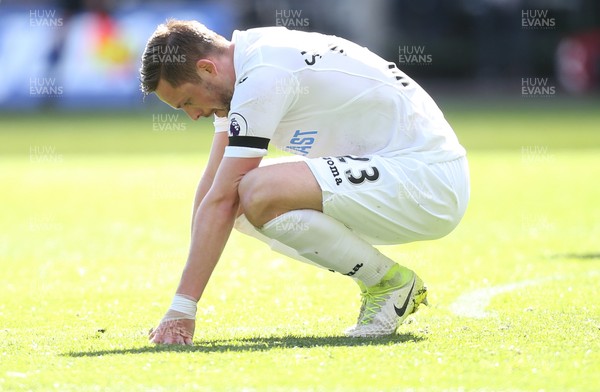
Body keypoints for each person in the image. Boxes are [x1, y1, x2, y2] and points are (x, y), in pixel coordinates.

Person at [140, 19, 469, 345]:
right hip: (407, 176)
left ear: (207, 69)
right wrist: (184, 293)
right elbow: (212, 189)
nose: (193, 115)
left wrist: (183, 307)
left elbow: (223, 197)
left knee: (255, 191)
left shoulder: (262, 75)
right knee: (241, 198)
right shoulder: (245, 65)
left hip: (429, 181)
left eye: (186, 102)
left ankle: (388, 284)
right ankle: (387, 282)